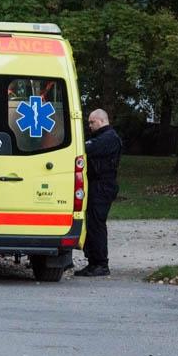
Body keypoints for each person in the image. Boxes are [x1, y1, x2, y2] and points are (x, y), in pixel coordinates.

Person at [75, 109, 122, 277]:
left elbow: (89, 149)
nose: (89, 126)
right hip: (98, 185)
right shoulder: (103, 137)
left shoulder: (109, 138)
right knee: (91, 224)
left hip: (103, 186)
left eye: (91, 122)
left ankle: (101, 263)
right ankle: (93, 262)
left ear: (101, 121)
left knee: (96, 224)